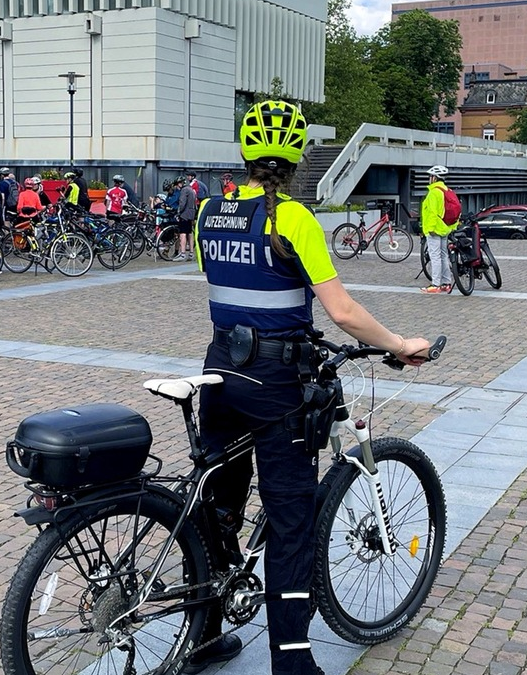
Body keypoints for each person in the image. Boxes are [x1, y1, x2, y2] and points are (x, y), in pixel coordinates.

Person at [191, 99, 431, 675]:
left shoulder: (207, 212)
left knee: (217, 506)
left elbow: (224, 281)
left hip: (219, 371)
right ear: (296, 155)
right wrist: (399, 344)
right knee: (292, 520)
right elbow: (342, 311)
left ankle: (203, 636)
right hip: (275, 381)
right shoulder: (292, 217)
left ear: (246, 153)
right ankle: (293, 662)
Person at [419, 165, 453, 294]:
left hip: (435, 229)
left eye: (430, 176)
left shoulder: (434, 192)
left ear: (434, 178)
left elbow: (432, 213)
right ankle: (446, 283)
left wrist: (430, 228)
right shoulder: (447, 190)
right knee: (444, 256)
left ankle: (435, 284)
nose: (429, 179)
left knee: (435, 256)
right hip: (444, 228)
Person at [176, 176, 197, 260]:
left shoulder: (184, 191)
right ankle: (191, 253)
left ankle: (183, 254)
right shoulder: (191, 189)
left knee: (183, 233)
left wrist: (178, 212)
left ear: (180, 184)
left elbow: (182, 203)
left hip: (184, 215)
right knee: (190, 233)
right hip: (191, 214)